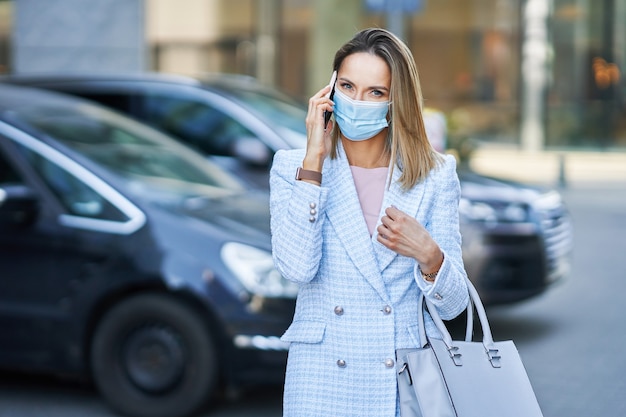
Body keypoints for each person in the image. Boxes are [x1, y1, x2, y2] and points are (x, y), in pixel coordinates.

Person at [270, 28, 469, 417]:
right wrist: (313, 160)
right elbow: (296, 267)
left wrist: (430, 256)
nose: (357, 102)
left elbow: (454, 306)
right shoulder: (291, 167)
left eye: (375, 92)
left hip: (402, 380)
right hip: (321, 379)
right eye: (347, 86)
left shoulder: (435, 174)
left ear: (397, 101)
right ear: (328, 91)